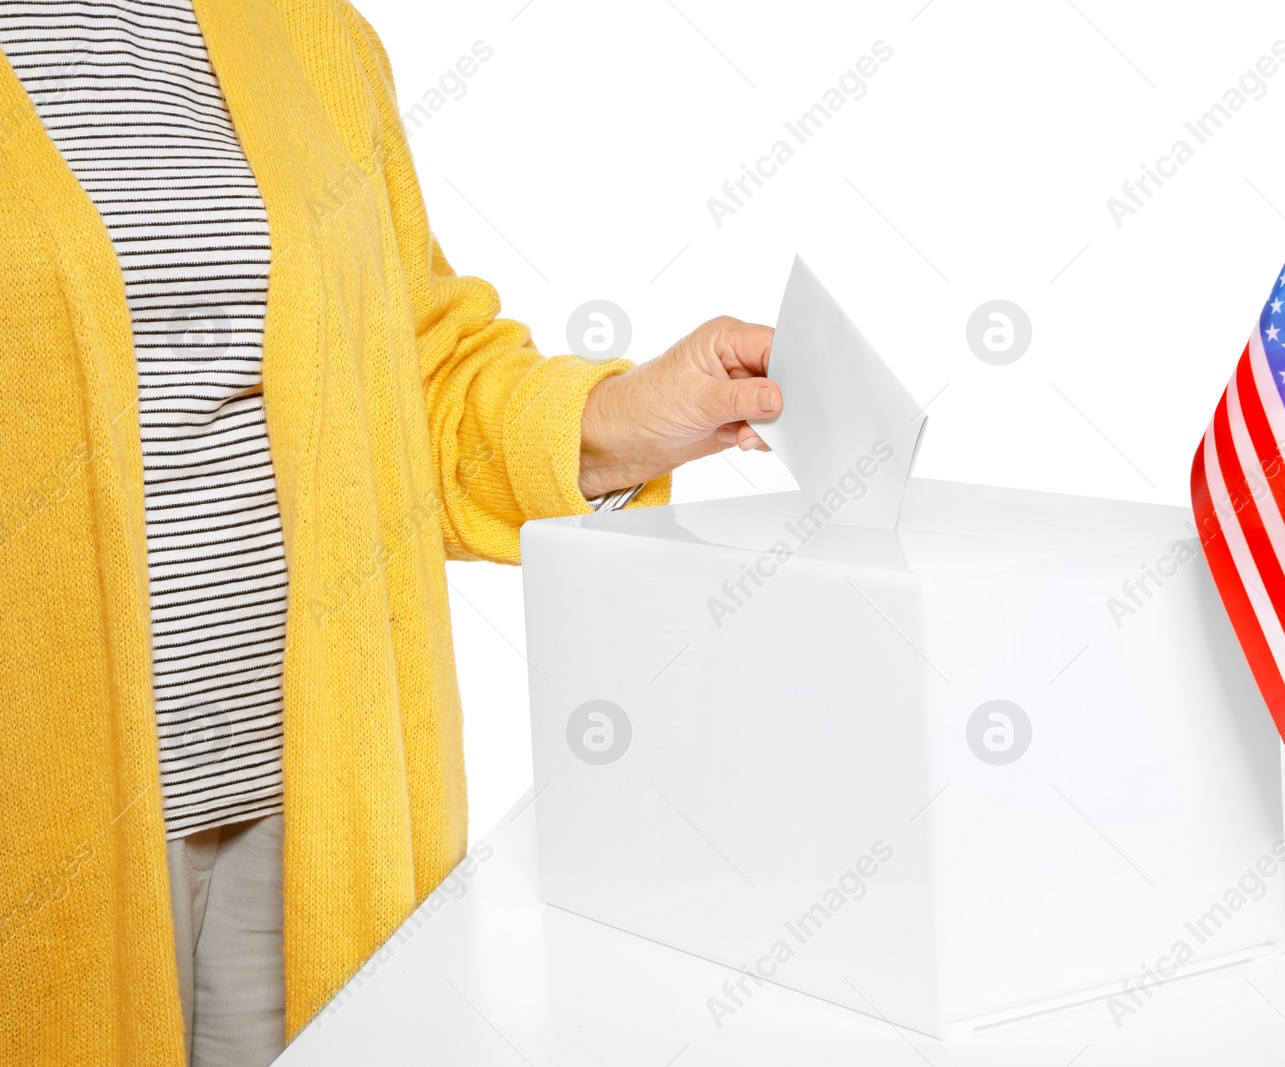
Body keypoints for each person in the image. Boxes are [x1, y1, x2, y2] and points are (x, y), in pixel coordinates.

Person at [0, 0, 781, 1063]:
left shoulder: (307, 33)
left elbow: (406, 376)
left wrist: (618, 418)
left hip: (311, 800)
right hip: (42, 830)